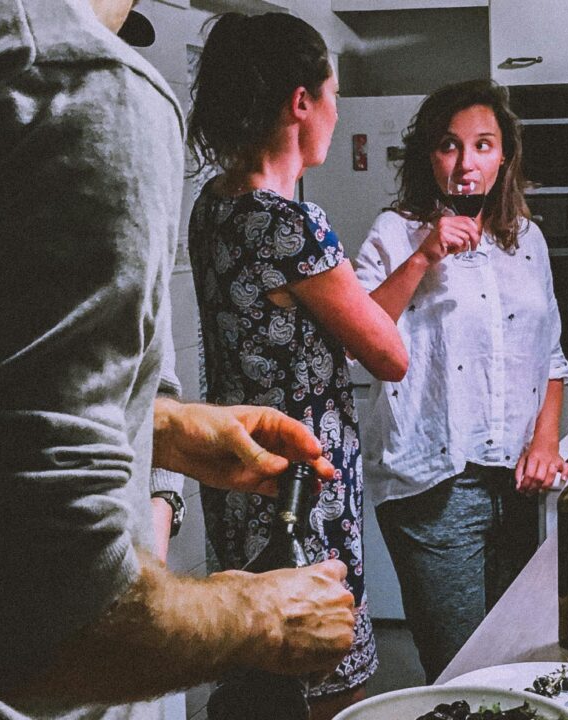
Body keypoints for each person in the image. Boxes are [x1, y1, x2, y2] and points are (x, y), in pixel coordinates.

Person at [0, 0, 356, 718]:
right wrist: (264, 614)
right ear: (302, 102)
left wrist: (159, 427)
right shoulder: (77, 86)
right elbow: (48, 619)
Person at [185, 12, 408, 718]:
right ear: (300, 102)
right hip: (302, 485)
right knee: (327, 675)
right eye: (333, 95)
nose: (338, 113)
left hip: (238, 472)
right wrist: (424, 259)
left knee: (262, 666)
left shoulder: (213, 206)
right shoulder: (292, 224)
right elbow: (387, 353)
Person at [353, 79, 568, 682]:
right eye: (450, 146)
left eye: (482, 145)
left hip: (518, 485)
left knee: (517, 660)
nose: (466, 163)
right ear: (431, 157)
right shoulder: (395, 232)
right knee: (461, 669)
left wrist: (545, 441)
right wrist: (424, 256)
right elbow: (362, 340)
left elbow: (550, 353)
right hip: (433, 483)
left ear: (504, 156)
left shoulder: (526, 239)